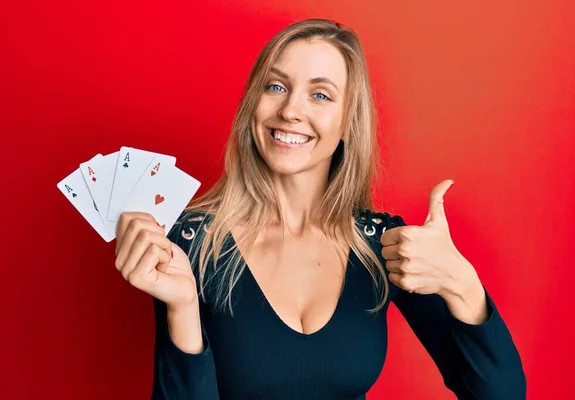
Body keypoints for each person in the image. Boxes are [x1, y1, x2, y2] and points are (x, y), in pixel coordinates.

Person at [114, 19, 526, 400]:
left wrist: (462, 283)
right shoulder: (190, 243)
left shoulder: (380, 245)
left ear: (349, 121)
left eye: (320, 94)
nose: (291, 110)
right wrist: (182, 308)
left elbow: (500, 394)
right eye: (275, 86)